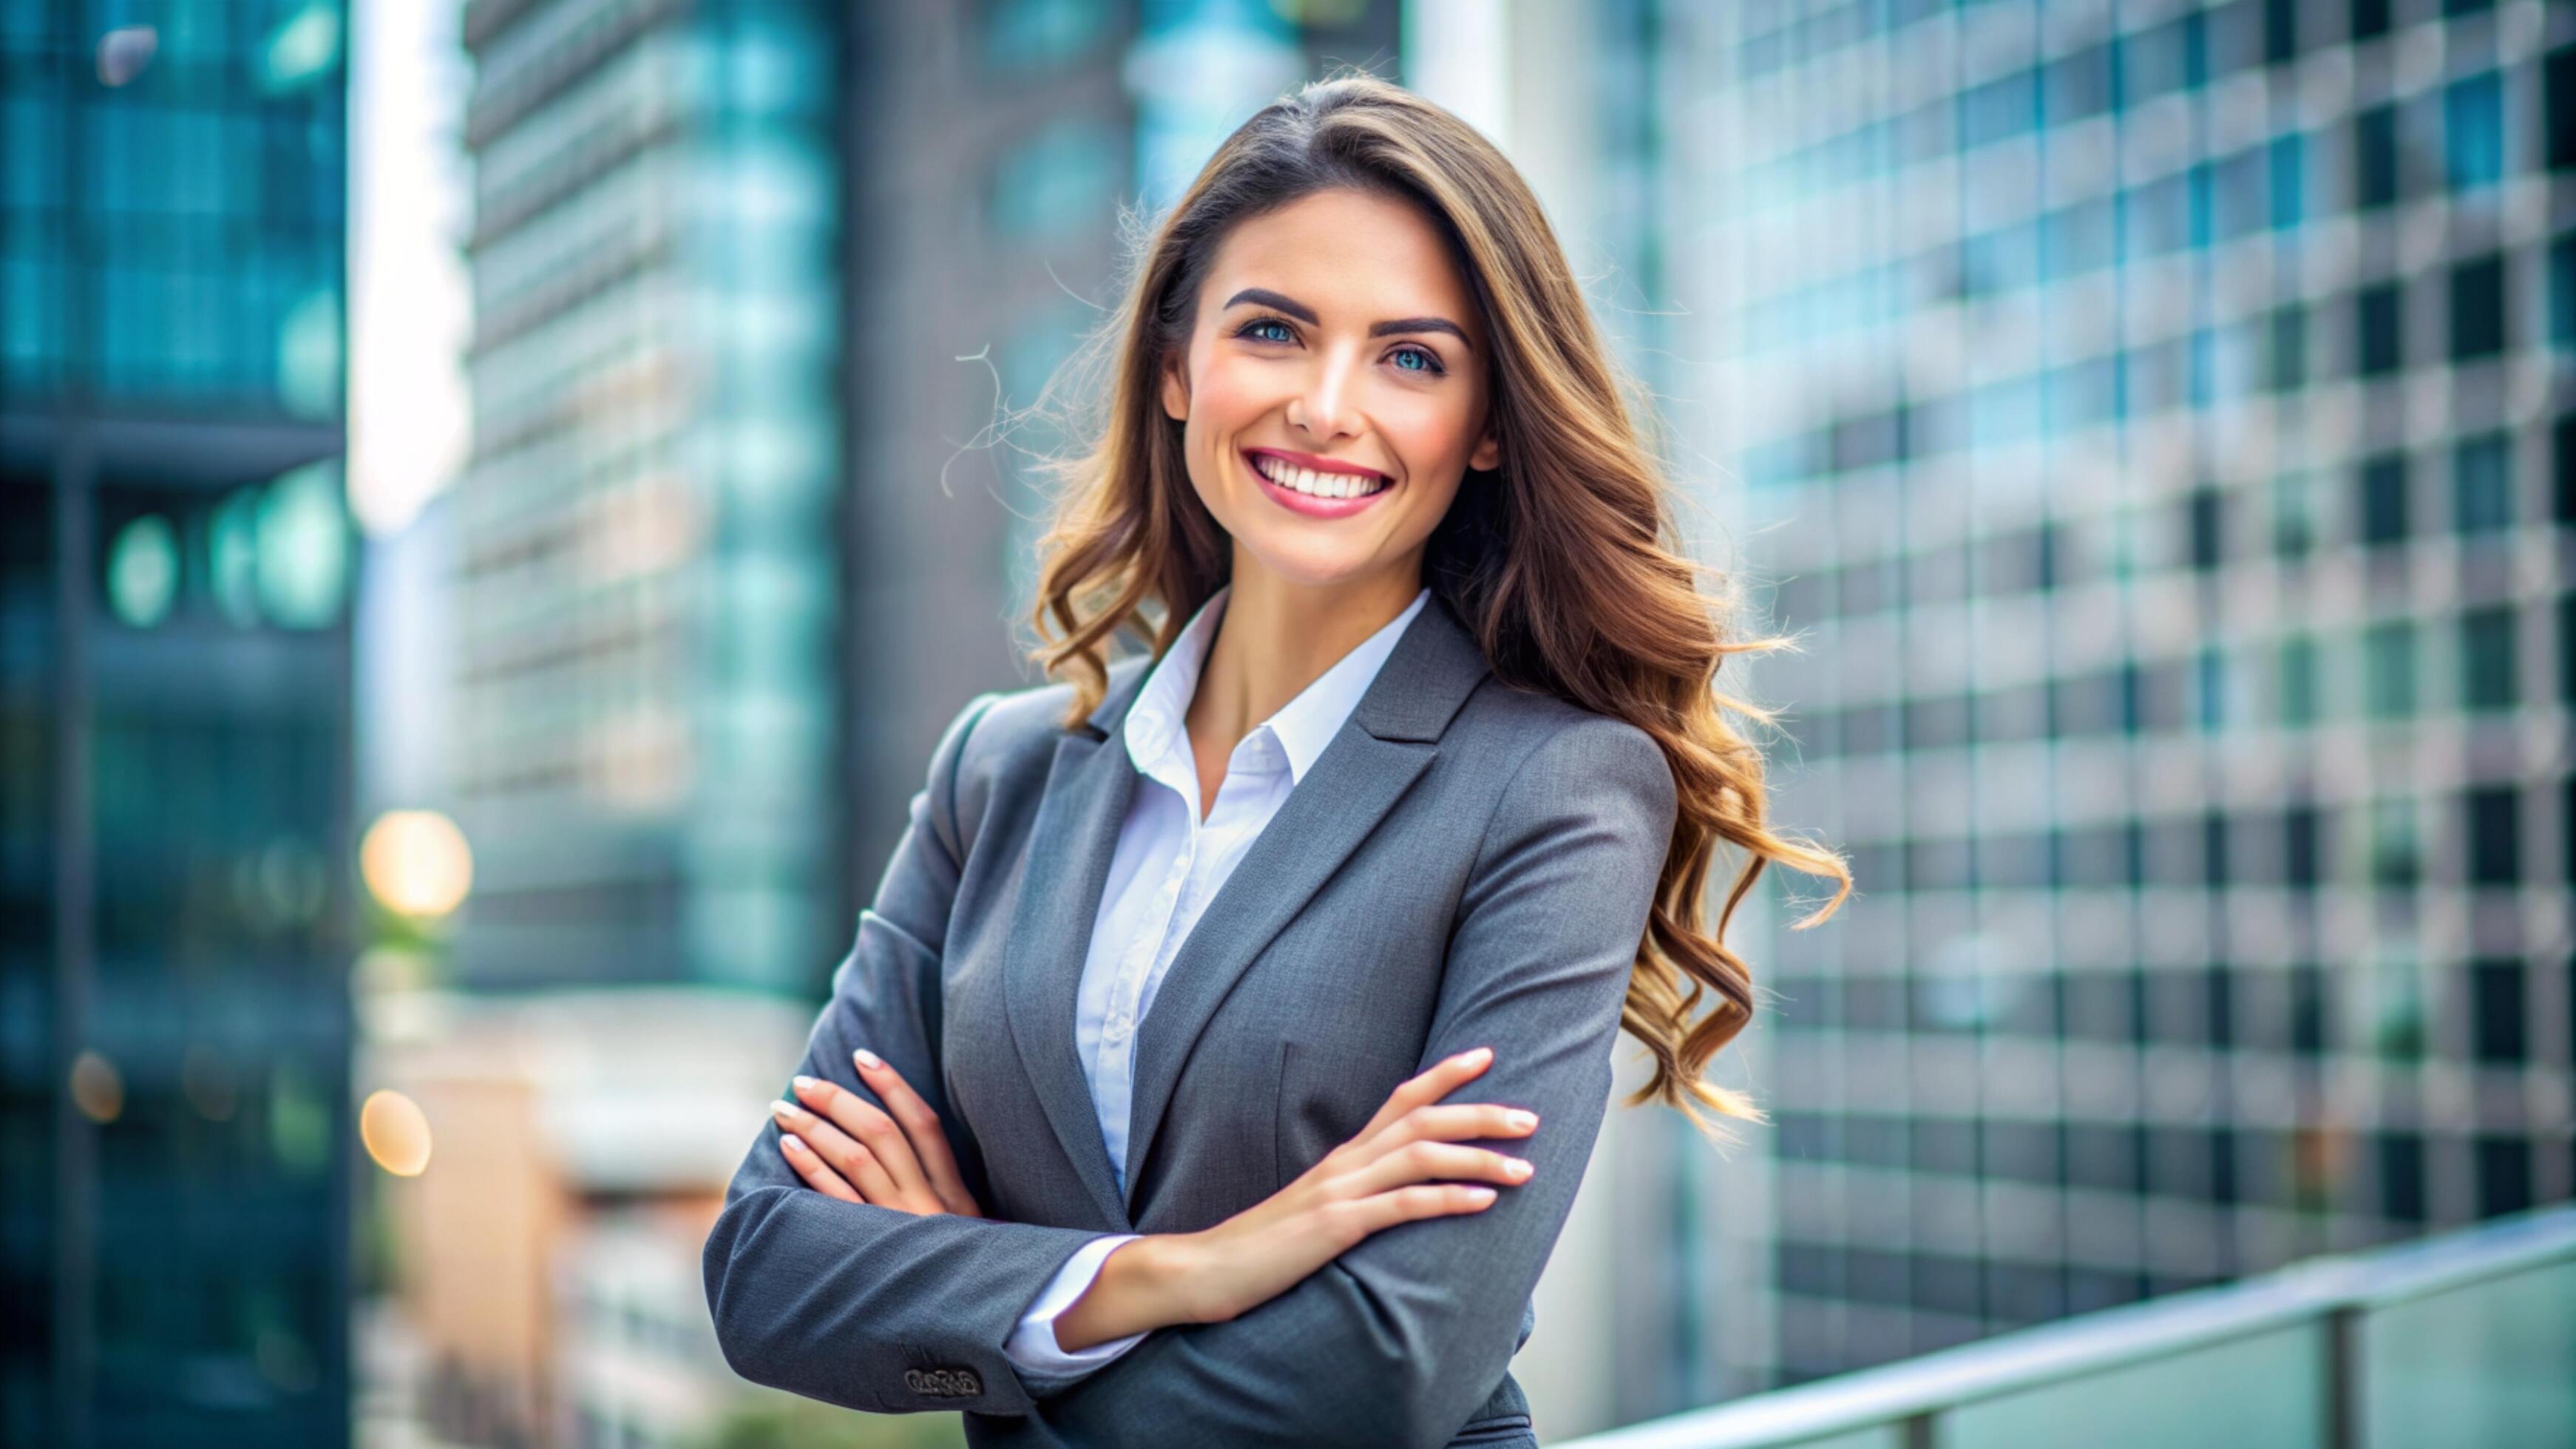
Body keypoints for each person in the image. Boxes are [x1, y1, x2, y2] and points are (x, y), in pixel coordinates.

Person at [702, 71, 1850, 1448]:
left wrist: (1003, 1310)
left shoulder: (1552, 791)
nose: (1326, 404)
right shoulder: (997, 772)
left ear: (1486, 425)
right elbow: (766, 1274)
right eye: (1274, 330)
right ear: (1178, 364)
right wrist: (1190, 1272)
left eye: (1411, 358)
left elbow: (1391, 1375)